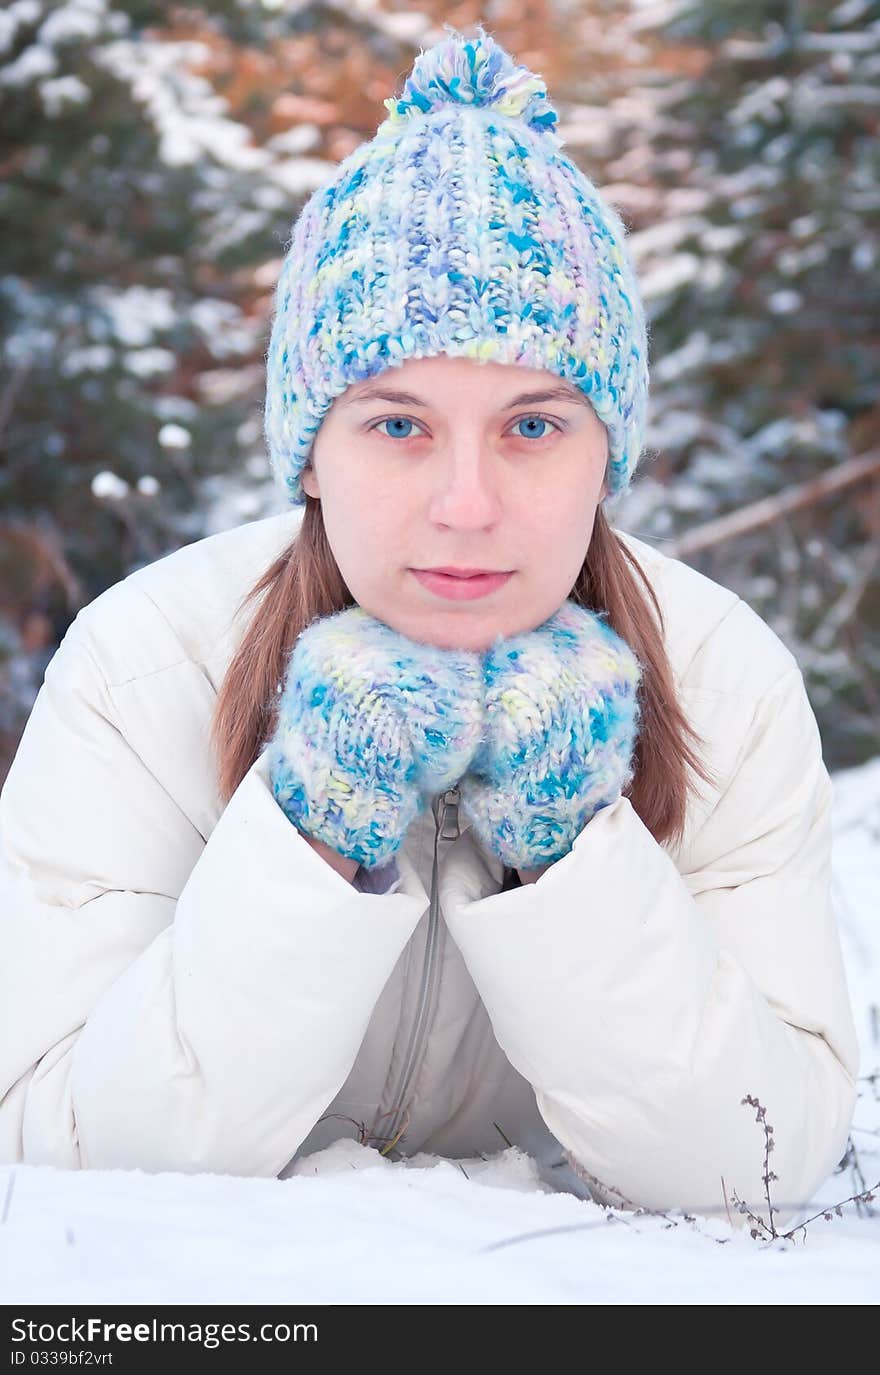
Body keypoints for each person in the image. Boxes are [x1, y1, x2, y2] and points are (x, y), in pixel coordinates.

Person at [0, 24, 858, 1231]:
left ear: (610, 453)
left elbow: (756, 1170)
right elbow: (72, 1161)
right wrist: (314, 831)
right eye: (397, 425)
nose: (466, 506)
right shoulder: (140, 671)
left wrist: (567, 844)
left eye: (533, 426)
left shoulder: (724, 683)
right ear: (308, 455)